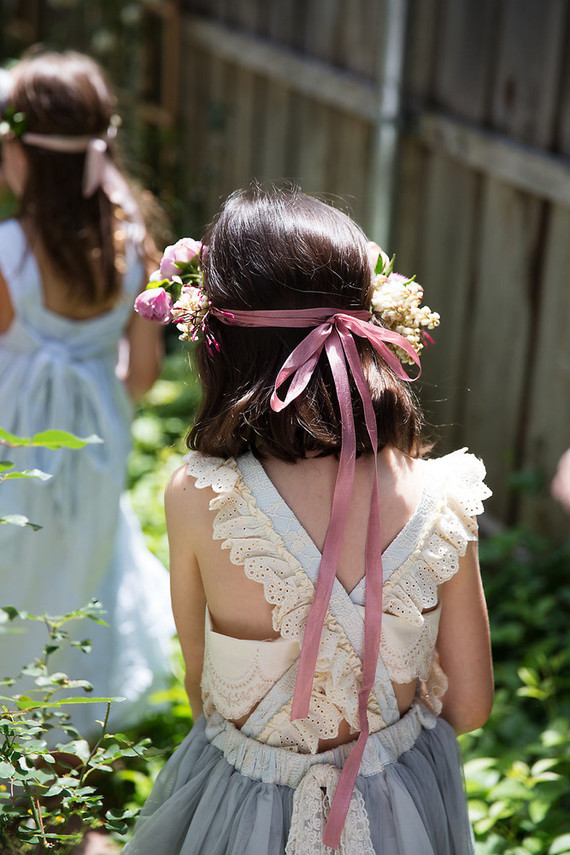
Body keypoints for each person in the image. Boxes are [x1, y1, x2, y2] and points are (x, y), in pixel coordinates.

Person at [125, 186, 494, 854]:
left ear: (222, 346)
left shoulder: (198, 495)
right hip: (400, 816)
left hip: (239, 813)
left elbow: (202, 686)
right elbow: (469, 704)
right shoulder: (446, 498)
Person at [0, 50, 174, 736]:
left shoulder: (9, 253)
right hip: (97, 439)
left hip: (14, 442)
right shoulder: (131, 244)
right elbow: (142, 374)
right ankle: (61, 734)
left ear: (22, 155)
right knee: (81, 566)